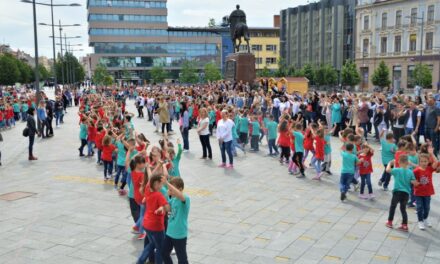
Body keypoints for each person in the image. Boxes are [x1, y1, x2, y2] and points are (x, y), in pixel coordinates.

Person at [137, 174, 169, 264]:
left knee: (152, 244)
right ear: (156, 184)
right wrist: (164, 206)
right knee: (160, 248)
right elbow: (167, 208)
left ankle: (140, 261)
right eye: (161, 183)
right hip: (156, 225)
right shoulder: (159, 195)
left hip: (147, 223)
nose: (163, 185)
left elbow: (150, 178)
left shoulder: (147, 189)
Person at [385, 155, 419, 232]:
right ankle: (404, 225)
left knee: (393, 207)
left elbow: (388, 170)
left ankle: (390, 222)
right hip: (406, 193)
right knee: (403, 209)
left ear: (399, 162)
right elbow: (414, 182)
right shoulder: (410, 172)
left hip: (397, 192)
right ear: (407, 163)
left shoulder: (397, 170)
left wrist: (390, 163)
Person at [162, 177, 190, 264]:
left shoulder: (185, 199)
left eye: (172, 189)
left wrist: (167, 183)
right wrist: (166, 195)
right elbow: (167, 208)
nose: (170, 190)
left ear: (180, 189)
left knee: (182, 259)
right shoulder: (173, 199)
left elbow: (181, 196)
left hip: (179, 234)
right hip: (169, 233)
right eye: (170, 189)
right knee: (164, 253)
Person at [413, 153, 438, 230]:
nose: (424, 163)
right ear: (419, 162)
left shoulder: (429, 169)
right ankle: (420, 221)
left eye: (425, 161)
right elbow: (412, 179)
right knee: (419, 207)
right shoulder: (416, 170)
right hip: (418, 192)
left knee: (427, 207)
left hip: (427, 192)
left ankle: (425, 219)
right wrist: (414, 182)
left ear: (428, 162)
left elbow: (436, 162)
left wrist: (431, 154)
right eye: (422, 161)